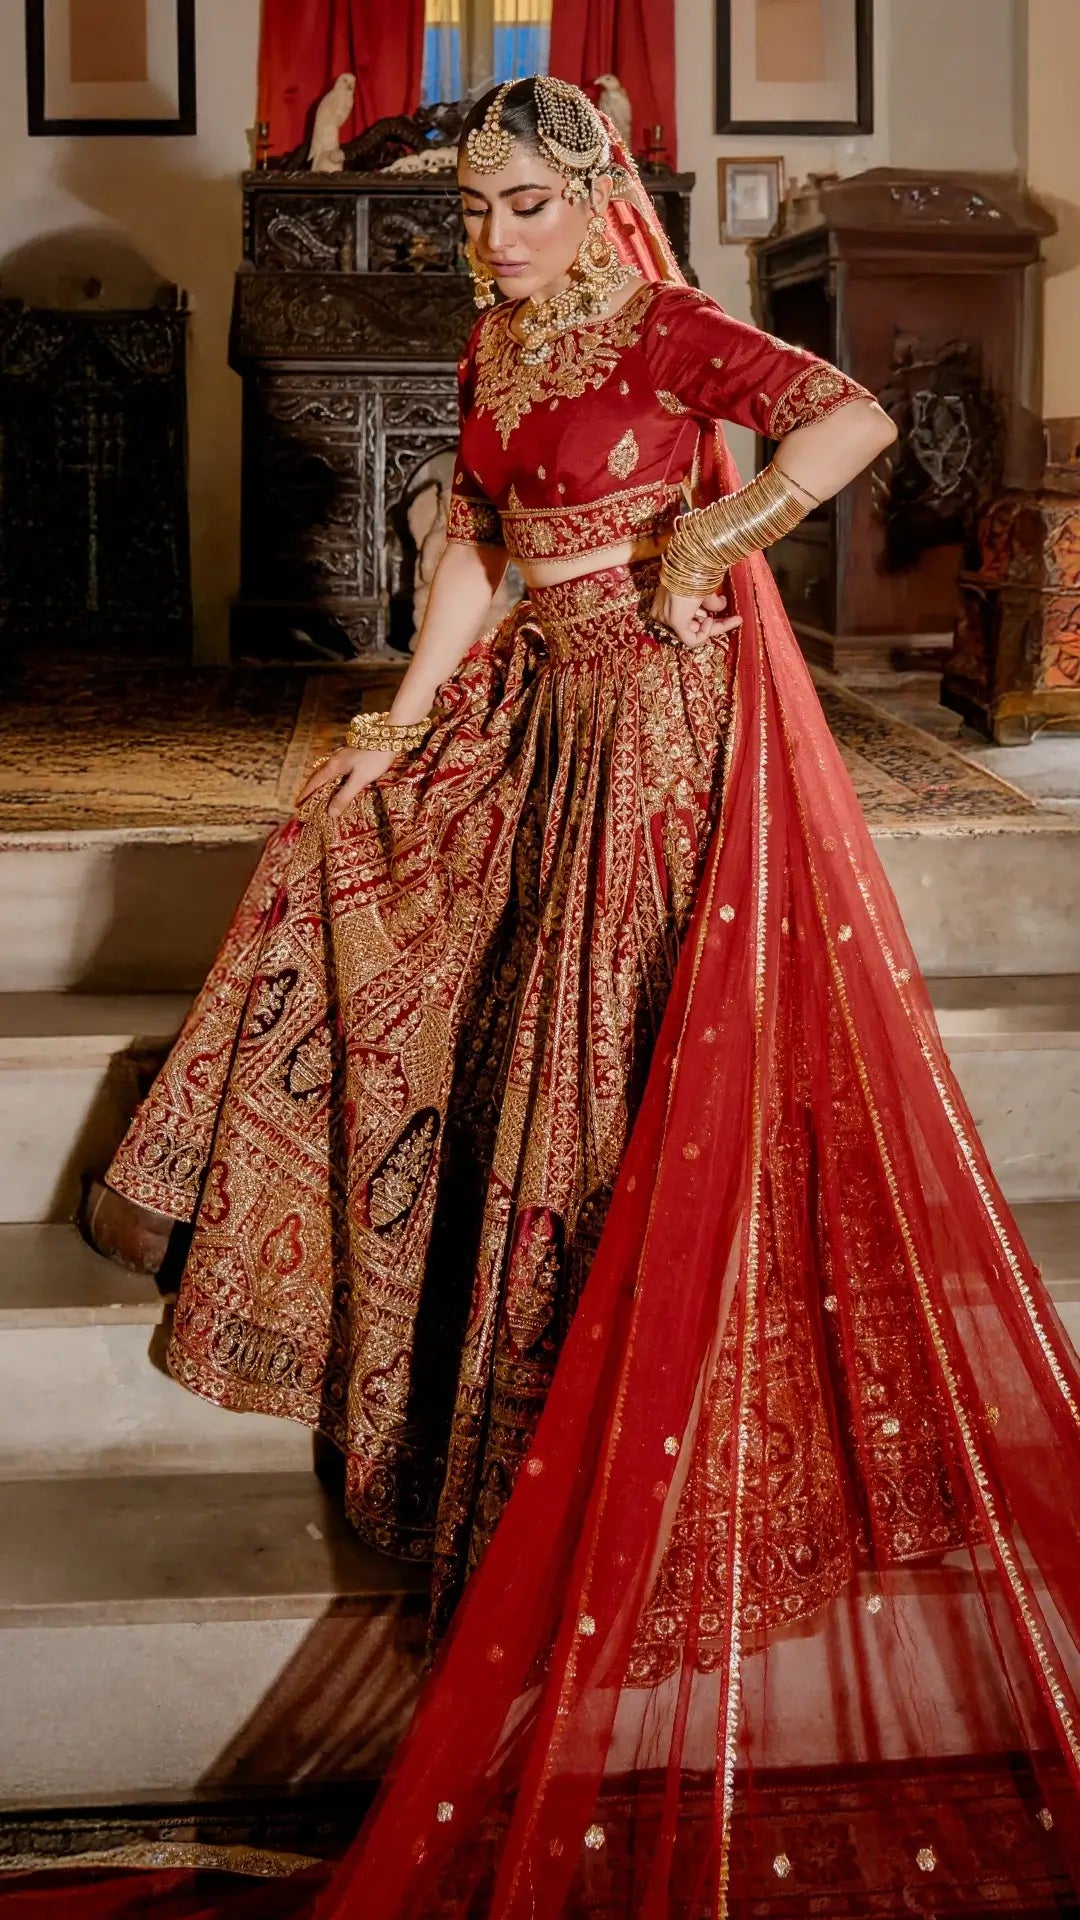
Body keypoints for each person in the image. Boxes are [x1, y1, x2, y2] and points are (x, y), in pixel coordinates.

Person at [34, 77, 1079, 1920]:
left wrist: (718, 536)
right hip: (543, 717)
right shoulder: (496, 354)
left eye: (517, 205)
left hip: (669, 738)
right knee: (371, 880)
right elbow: (471, 552)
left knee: (612, 1055)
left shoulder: (668, 326)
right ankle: (503, 1390)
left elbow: (841, 419)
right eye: (474, 213)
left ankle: (651, 1408)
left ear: (594, 195)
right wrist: (404, 721)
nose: (490, 240)